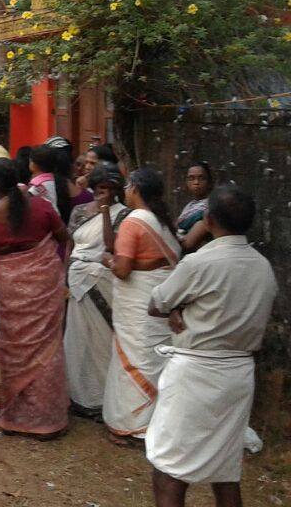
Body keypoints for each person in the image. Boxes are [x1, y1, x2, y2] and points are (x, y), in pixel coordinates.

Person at [146, 186, 278, 507]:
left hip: (195, 371)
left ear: (207, 219)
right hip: (238, 375)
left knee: (169, 470)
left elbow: (156, 303)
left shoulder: (199, 262)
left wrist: (176, 309)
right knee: (225, 470)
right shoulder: (263, 268)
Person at [0, 158, 71, 436]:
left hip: (9, 287)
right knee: (48, 347)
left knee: (12, 345)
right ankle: (48, 419)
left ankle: (15, 415)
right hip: (45, 285)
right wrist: (59, 269)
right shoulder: (42, 207)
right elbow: (64, 237)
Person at [102, 167, 181, 443]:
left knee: (135, 359)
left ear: (135, 189)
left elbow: (123, 269)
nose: (124, 191)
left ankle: (132, 423)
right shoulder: (162, 221)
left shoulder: (134, 222)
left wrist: (107, 261)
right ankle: (156, 420)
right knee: (155, 359)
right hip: (157, 302)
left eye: (127, 186)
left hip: (139, 305)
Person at [65, 163, 129, 418]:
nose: (106, 193)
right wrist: (64, 274)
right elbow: (70, 243)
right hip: (77, 278)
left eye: (110, 189)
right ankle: (78, 395)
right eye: (101, 188)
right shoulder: (79, 211)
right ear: (93, 187)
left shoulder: (123, 214)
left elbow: (112, 247)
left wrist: (104, 212)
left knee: (103, 340)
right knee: (78, 338)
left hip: (101, 279)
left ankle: (102, 398)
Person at [177, 161, 215, 252]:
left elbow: (187, 244)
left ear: (209, 182)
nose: (196, 182)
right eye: (191, 178)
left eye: (201, 178)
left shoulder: (211, 207)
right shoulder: (190, 206)